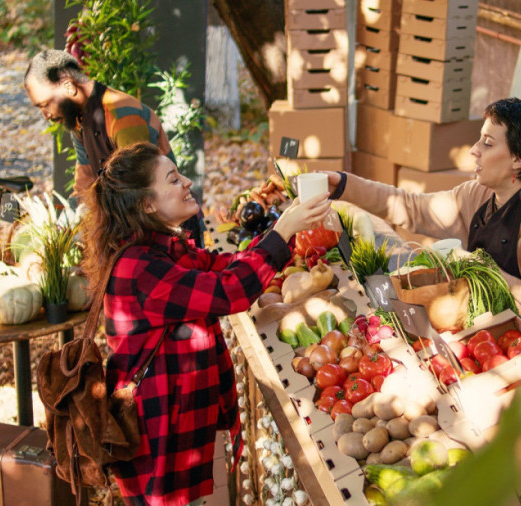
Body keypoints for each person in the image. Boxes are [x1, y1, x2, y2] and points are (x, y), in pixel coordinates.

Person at [80, 142, 330, 505]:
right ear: (147, 204)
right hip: (158, 437)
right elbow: (229, 291)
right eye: (173, 179)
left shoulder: (162, 247)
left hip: (175, 424)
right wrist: (282, 232)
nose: (187, 183)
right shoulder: (140, 269)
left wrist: (284, 230)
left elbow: (225, 266)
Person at [327, 98, 521, 336]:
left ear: (519, 159)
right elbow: (411, 207)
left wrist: (477, 267)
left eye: (488, 143)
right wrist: (343, 186)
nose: (474, 150)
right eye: (479, 140)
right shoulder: (478, 195)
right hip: (481, 336)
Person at [23, 49, 205, 245]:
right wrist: (61, 228)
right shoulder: (79, 121)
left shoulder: (122, 114)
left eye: (45, 105)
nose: (45, 115)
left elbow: (138, 192)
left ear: (69, 87)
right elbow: (84, 186)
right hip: (139, 229)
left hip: (170, 231)